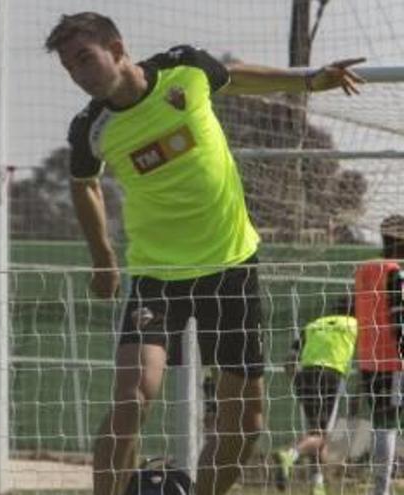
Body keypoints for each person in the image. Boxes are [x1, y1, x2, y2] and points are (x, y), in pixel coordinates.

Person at [43, 11, 364, 495]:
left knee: (246, 420)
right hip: (157, 277)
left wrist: (309, 82)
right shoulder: (91, 128)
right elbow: (84, 184)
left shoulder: (185, 70)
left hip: (230, 266)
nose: (79, 74)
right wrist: (103, 257)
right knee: (131, 398)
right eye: (69, 67)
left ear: (116, 47)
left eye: (85, 59)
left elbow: (236, 78)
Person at [272, 298, 358, 495]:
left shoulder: (313, 325)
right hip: (331, 376)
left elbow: (290, 360)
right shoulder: (354, 325)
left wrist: (297, 380)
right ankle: (289, 454)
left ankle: (317, 486)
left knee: (314, 432)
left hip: (305, 376)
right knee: (321, 436)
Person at [353, 215, 404, 495]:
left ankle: (380, 487)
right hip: (393, 361)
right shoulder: (395, 271)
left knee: (381, 423)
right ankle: (381, 490)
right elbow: (399, 320)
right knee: (389, 424)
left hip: (367, 359)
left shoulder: (364, 270)